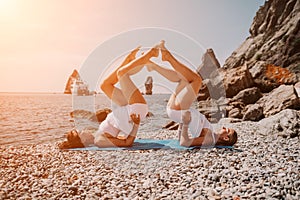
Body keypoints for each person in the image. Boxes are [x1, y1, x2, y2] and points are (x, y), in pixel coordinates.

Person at [59, 45, 159, 149]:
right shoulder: (99, 141)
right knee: (122, 74)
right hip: (136, 109)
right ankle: (149, 55)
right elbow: (127, 143)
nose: (82, 130)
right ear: (83, 140)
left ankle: (128, 60)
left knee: (105, 86)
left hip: (126, 108)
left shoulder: (97, 135)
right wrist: (136, 124)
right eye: (80, 132)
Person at [147, 41, 237, 147]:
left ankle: (167, 57)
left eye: (227, 130)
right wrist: (181, 123)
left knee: (196, 80)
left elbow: (184, 143)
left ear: (225, 138)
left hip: (178, 110)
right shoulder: (212, 134)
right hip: (179, 110)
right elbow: (182, 137)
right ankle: (153, 66)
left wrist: (184, 123)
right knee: (184, 78)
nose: (224, 127)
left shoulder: (210, 140)